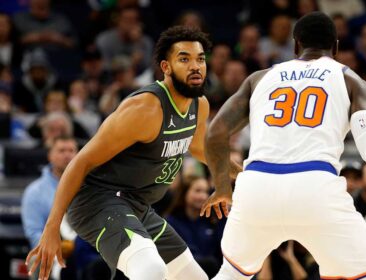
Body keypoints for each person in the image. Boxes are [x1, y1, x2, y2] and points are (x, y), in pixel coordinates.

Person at [26, 26, 240, 280]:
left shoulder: (199, 105)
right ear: (166, 66)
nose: (195, 66)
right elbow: (80, 162)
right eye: (184, 59)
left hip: (137, 206)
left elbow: (198, 147)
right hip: (97, 202)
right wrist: (51, 228)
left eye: (200, 59)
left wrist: (243, 173)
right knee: (150, 269)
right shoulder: (144, 109)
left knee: (194, 278)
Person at [201, 12, 366, 279]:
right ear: (336, 47)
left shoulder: (259, 79)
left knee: (231, 274)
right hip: (316, 188)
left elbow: (214, 134)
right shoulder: (351, 80)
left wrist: (223, 188)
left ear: (295, 45)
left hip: (258, 189)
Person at [21, 136, 79, 280]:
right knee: (38, 260)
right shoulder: (34, 191)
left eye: (71, 150)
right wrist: (56, 250)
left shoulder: (90, 187)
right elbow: (33, 232)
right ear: (50, 155)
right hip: (51, 250)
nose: (67, 155)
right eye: (61, 150)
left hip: (85, 246)